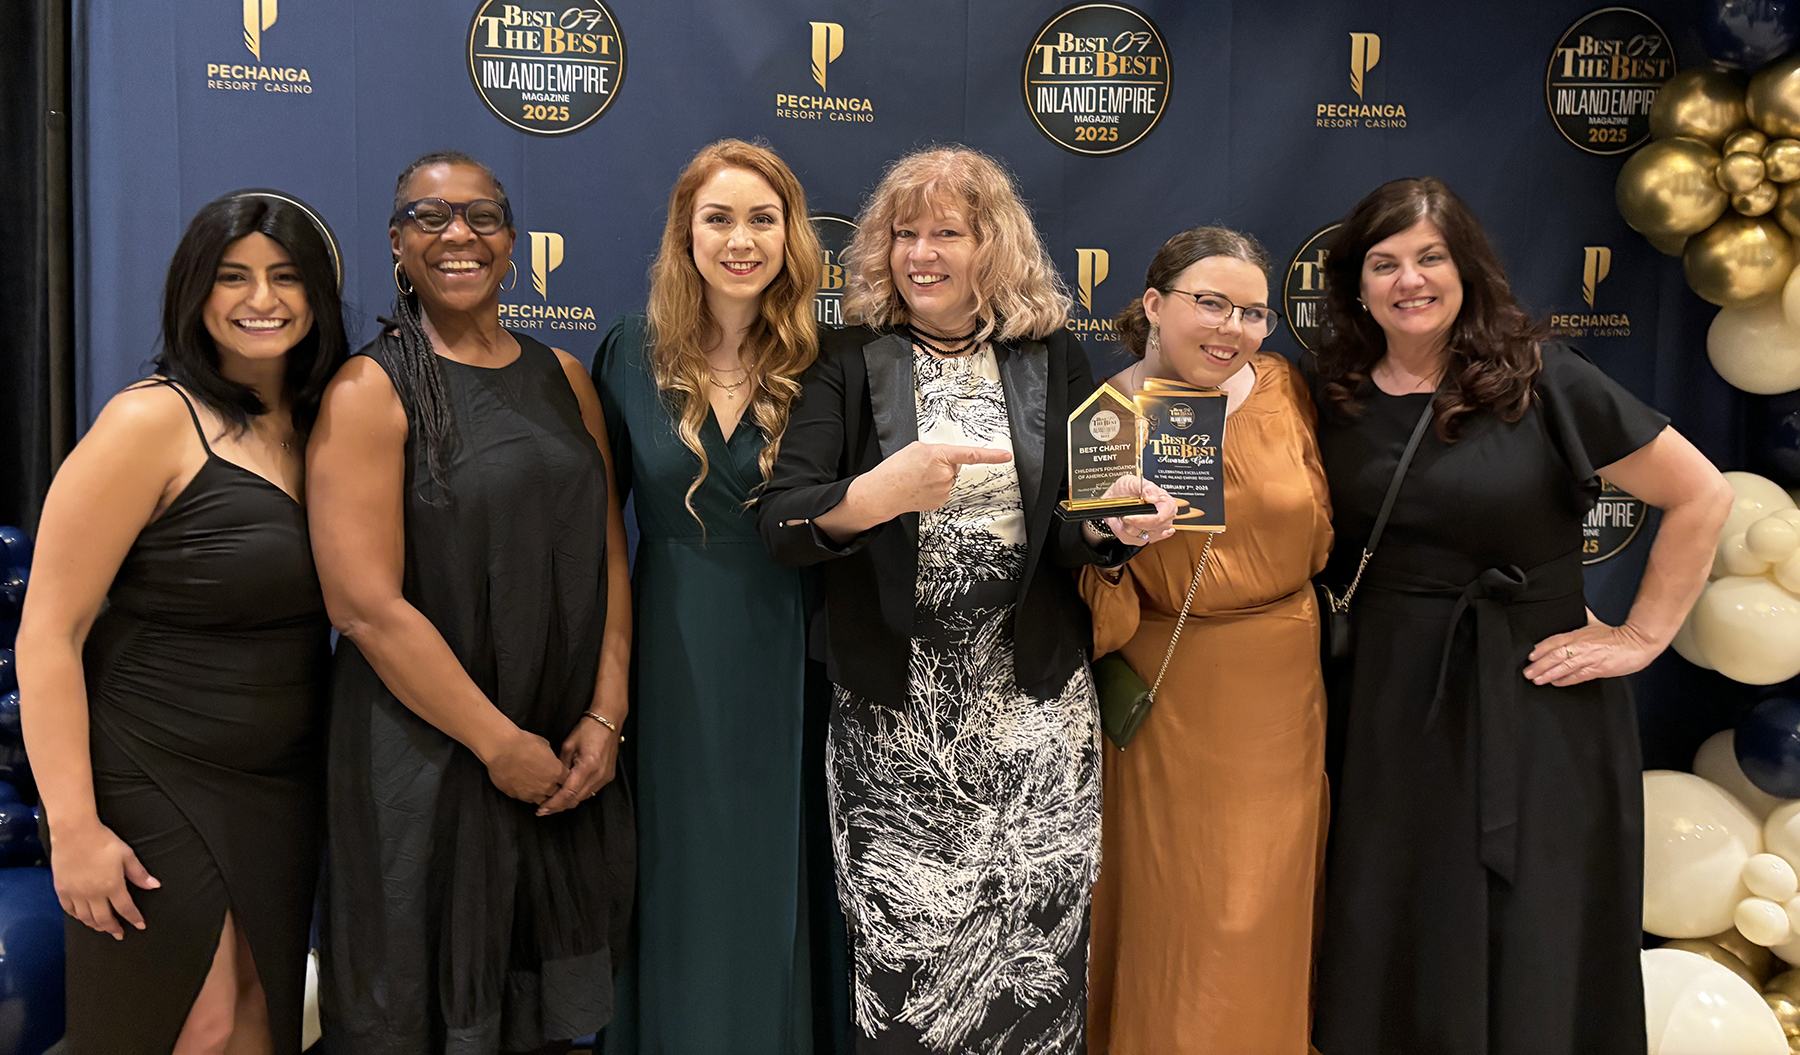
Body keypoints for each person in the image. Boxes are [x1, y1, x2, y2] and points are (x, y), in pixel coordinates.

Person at [758, 145, 1177, 1055]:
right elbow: (785, 523)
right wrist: (880, 492)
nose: (921, 253)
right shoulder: (846, 357)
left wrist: (1119, 529)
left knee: (1038, 957)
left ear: (994, 246)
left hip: (1036, 716)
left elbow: (1075, 524)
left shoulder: (1051, 357)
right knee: (909, 970)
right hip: (897, 728)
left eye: (947, 232)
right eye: (904, 233)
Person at [1308, 177, 1732, 1055]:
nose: (1409, 280)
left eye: (1430, 257)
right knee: (1399, 916)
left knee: (1534, 922)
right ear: (1356, 283)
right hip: (1385, 702)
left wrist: (1640, 635)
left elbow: (1701, 494)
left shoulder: (1543, 377)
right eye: (1384, 263)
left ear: (1467, 267)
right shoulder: (1330, 393)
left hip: (1535, 700)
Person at [308, 151, 634, 1054]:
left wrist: (606, 718)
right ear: (397, 244)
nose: (459, 234)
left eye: (482, 216)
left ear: (512, 240)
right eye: (430, 217)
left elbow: (609, 547)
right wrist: (498, 745)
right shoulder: (369, 389)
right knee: (422, 1011)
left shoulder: (567, 376)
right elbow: (364, 606)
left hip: (562, 759)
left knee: (548, 1012)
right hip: (430, 757)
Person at [17, 190, 347, 1054]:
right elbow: (48, 631)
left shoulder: (323, 427)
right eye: (232, 277)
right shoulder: (148, 421)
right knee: (184, 1027)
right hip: (151, 774)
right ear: (195, 293)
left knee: (254, 1023)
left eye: (284, 277)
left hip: (277, 788)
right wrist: (75, 827)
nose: (261, 298)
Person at [591, 138, 828, 1053]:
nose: (741, 239)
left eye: (762, 219)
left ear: (791, 235)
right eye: (719, 218)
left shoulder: (828, 360)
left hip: (795, 642)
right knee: (682, 864)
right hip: (671, 642)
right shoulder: (626, 350)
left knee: (777, 864)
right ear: (684, 235)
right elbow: (590, 529)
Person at [1079, 227, 1332, 1054]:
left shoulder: (1282, 388)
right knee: (1178, 911)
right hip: (1170, 689)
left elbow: (1319, 522)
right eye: (1210, 303)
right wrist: (1114, 542)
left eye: (1253, 312)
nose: (1232, 327)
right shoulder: (1107, 419)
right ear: (1154, 305)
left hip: (1283, 680)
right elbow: (1091, 599)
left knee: (1266, 905)